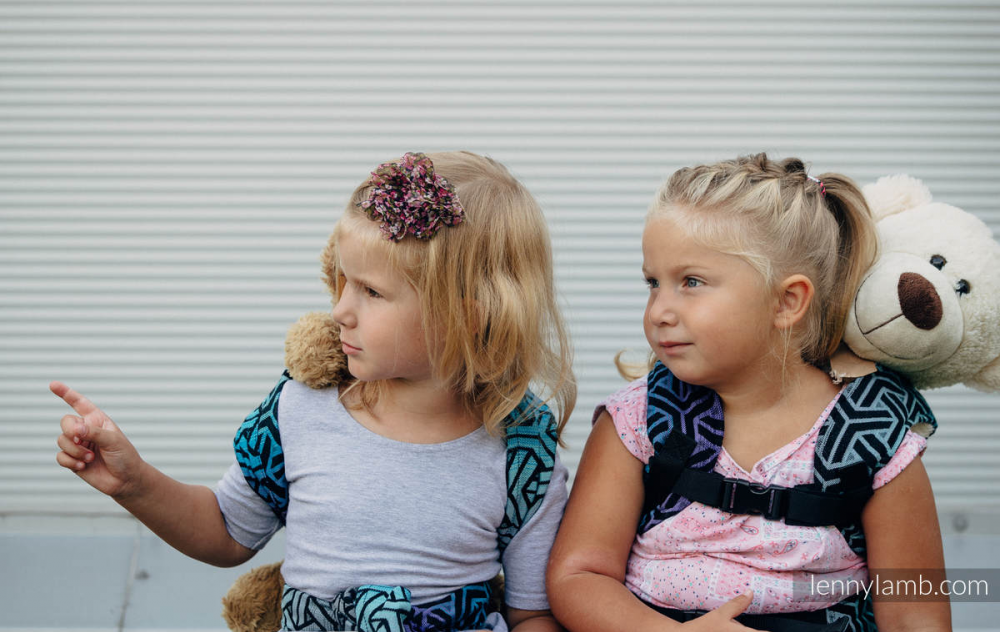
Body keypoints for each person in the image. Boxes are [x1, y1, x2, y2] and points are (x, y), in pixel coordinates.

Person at [53, 151, 576, 632]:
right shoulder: (301, 406)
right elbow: (227, 531)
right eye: (343, 281)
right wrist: (134, 483)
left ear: (467, 314)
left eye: (372, 291)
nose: (341, 309)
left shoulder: (522, 451)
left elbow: (531, 615)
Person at [547, 153, 950, 631]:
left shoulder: (876, 435)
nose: (658, 311)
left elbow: (913, 614)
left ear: (786, 301)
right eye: (653, 283)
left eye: (691, 282)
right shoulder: (638, 419)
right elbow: (579, 576)